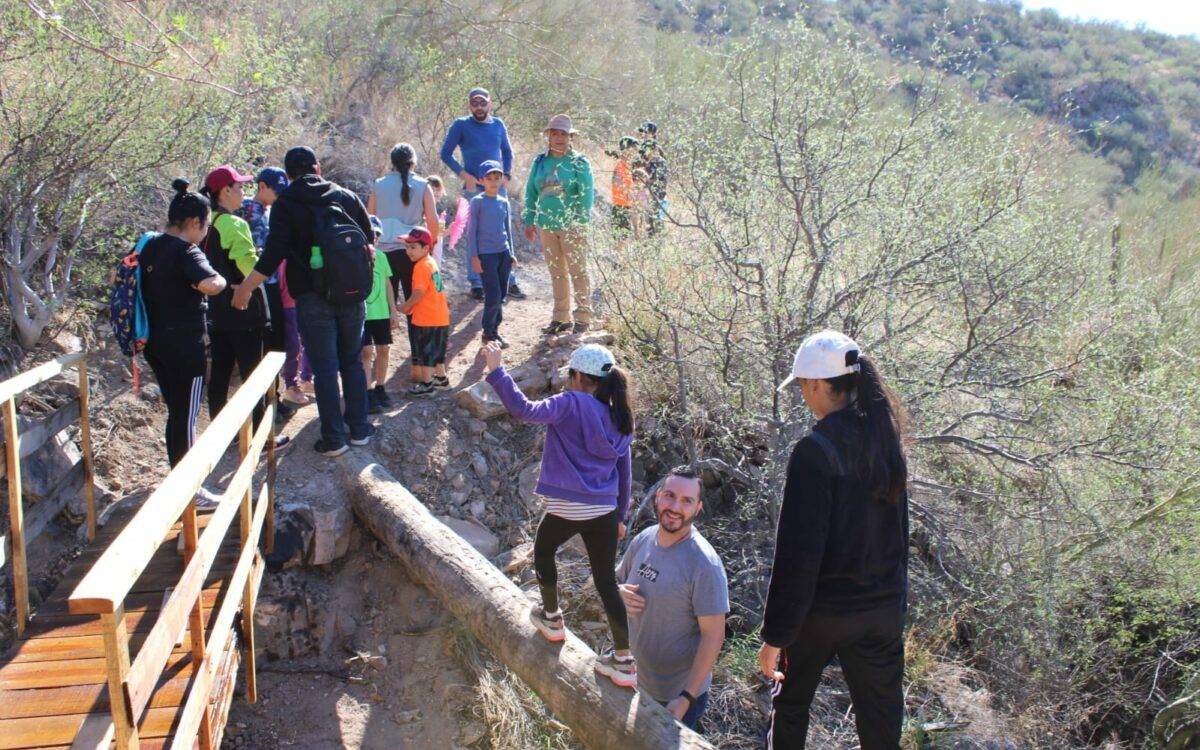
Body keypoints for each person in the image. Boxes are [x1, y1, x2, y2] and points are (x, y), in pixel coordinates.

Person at [759, 330, 910, 750]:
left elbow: (798, 556)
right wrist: (894, 608)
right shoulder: (885, 442)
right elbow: (900, 538)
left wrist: (777, 634)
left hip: (820, 614)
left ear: (819, 385)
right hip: (879, 611)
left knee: (789, 708)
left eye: (805, 386)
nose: (805, 395)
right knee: (881, 726)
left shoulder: (814, 451)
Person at [481, 341, 637, 689]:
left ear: (578, 376)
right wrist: (621, 517)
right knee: (605, 581)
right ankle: (624, 660)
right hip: (605, 511)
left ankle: (551, 618)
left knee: (543, 550)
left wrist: (497, 371)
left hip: (568, 505)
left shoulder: (570, 403)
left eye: (570, 375)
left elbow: (524, 409)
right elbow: (624, 472)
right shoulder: (620, 417)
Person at [230, 146, 376, 457]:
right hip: (352, 294)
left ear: (289, 174)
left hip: (311, 296)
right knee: (351, 360)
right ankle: (360, 429)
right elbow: (369, 239)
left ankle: (334, 439)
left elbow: (273, 254)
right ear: (318, 168)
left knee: (324, 367)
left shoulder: (287, 204)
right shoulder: (345, 196)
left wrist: (245, 288)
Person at [617, 466, 728, 730]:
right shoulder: (644, 539)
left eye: (686, 501)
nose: (675, 506)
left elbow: (714, 635)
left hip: (677, 697)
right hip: (636, 679)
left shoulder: (704, 564)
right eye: (670, 495)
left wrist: (686, 697)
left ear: (698, 508)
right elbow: (616, 581)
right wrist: (618, 594)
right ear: (657, 497)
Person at [140, 179, 226, 469]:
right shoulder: (187, 251)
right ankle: (190, 487)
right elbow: (210, 284)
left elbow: (119, 277)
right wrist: (222, 279)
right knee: (187, 414)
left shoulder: (148, 245)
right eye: (206, 226)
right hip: (186, 347)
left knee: (177, 412)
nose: (205, 232)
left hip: (155, 343)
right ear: (193, 222)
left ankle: (177, 474)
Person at [199, 165, 274, 430]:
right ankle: (261, 434)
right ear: (226, 191)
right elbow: (250, 268)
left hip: (216, 311)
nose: (244, 191)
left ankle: (221, 431)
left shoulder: (206, 224)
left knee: (220, 372)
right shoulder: (234, 223)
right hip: (244, 311)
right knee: (253, 373)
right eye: (240, 186)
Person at [439, 87, 526, 300]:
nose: (479, 107)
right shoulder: (461, 125)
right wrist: (463, 175)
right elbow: (445, 153)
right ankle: (476, 283)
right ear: (470, 105)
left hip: (497, 186)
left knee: (504, 230)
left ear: (490, 103)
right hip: (473, 189)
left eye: (482, 103)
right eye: (474, 103)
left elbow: (507, 151)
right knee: (474, 233)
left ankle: (508, 279)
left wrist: (506, 174)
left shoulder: (498, 125)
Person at [368, 144, 440, 387]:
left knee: (381, 307)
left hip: (383, 252)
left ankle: (375, 370)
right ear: (413, 163)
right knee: (415, 310)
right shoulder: (423, 186)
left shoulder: (378, 184)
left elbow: (370, 220)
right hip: (411, 253)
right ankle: (419, 367)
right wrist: (430, 246)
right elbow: (432, 221)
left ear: (392, 162)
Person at [523, 114, 595, 335]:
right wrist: (528, 219)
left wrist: (579, 222)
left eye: (563, 134)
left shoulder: (578, 162)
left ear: (570, 137)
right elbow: (531, 192)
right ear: (548, 137)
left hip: (571, 225)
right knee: (557, 272)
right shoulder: (540, 162)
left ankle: (583, 316)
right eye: (554, 133)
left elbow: (586, 195)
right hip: (546, 225)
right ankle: (560, 318)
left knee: (577, 271)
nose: (558, 138)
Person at [239, 166, 298, 416]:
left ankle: (273, 399)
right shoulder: (251, 212)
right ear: (262, 187)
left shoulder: (265, 210)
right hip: (262, 285)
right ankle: (268, 403)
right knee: (270, 346)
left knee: (276, 344)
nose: (279, 195)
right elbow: (258, 251)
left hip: (269, 284)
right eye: (276, 190)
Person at [467, 160, 515, 348]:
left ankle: (495, 331)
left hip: (503, 254)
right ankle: (488, 333)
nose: (494, 181)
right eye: (489, 178)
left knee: (502, 294)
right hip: (486, 256)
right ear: (481, 180)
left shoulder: (504, 202)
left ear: (502, 179)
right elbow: (472, 232)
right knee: (493, 294)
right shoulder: (477, 202)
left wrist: (511, 253)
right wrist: (474, 257)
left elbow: (507, 230)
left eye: (497, 177)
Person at [397, 227, 450, 396]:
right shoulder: (431, 262)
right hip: (441, 317)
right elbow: (437, 289)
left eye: (413, 247)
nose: (408, 251)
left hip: (427, 318)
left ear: (426, 248)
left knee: (426, 352)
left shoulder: (420, 266)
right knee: (437, 351)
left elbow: (418, 292)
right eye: (407, 247)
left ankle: (427, 385)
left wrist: (406, 307)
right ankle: (441, 379)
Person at [362, 216, 399, 413]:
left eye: (376, 234)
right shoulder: (358, 256)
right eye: (370, 234)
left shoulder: (383, 257)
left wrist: (394, 310)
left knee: (383, 349)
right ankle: (367, 391)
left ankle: (380, 387)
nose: (373, 238)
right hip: (364, 314)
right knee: (366, 352)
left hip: (382, 313)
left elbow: (387, 285)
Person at [610, 136, 638, 246]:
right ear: (626, 149)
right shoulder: (620, 165)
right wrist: (629, 194)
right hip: (620, 206)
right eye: (633, 148)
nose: (634, 152)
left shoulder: (627, 166)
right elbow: (617, 182)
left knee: (625, 237)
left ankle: (620, 261)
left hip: (626, 205)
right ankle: (618, 262)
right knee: (621, 239)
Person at [426, 175, 448, 265]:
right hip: (426, 260)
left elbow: (440, 236)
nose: (435, 193)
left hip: (436, 260)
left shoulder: (439, 217)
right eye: (432, 190)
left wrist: (450, 230)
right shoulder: (421, 213)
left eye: (438, 190)